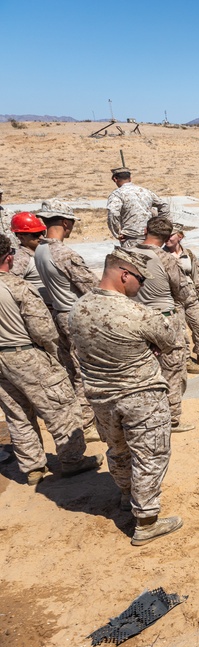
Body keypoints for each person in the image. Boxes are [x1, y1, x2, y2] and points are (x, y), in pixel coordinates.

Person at [69, 248, 184, 546]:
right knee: (150, 455)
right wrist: (150, 346)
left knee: (118, 451)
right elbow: (170, 341)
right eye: (141, 280)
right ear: (124, 274)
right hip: (141, 396)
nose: (142, 286)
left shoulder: (78, 309)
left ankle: (125, 496)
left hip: (101, 398)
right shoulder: (138, 313)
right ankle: (146, 521)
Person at [0, 235, 102, 486]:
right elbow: (43, 330)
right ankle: (72, 460)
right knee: (61, 405)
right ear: (8, 257)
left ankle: (33, 467)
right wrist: (51, 351)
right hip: (26, 353)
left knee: (17, 413)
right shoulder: (16, 286)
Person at [33, 200, 98, 429]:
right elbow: (91, 287)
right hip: (75, 314)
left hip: (59, 312)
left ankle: (75, 415)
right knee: (85, 371)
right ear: (64, 222)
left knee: (71, 369)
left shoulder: (39, 249)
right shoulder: (63, 253)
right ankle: (86, 422)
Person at [132, 217, 199, 432]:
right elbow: (183, 292)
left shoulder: (129, 253)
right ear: (165, 237)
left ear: (145, 230)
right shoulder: (166, 259)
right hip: (165, 319)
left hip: (137, 317)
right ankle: (171, 420)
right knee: (173, 369)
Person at [164, 226, 199, 374]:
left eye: (171, 235)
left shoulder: (189, 255)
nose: (167, 238)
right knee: (180, 332)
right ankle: (186, 359)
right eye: (165, 235)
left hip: (191, 297)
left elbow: (197, 276)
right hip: (173, 300)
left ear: (180, 237)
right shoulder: (162, 256)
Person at [106, 167, 171, 249]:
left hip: (131, 238)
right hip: (150, 237)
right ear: (130, 178)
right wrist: (161, 225)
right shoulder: (145, 191)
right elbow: (164, 205)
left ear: (115, 179)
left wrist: (117, 233)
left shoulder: (117, 194)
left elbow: (113, 212)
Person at [9, 211, 47, 298]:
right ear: (21, 237)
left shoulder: (43, 251)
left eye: (42, 232)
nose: (41, 237)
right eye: (36, 234)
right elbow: (12, 288)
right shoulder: (21, 260)